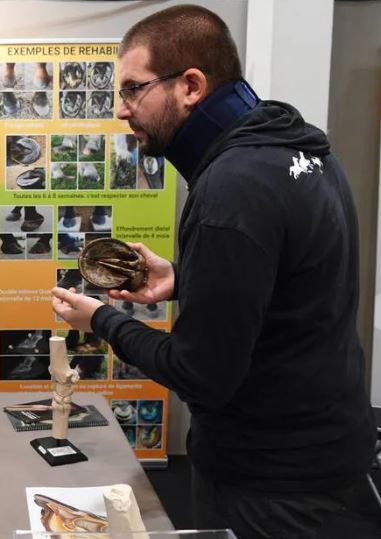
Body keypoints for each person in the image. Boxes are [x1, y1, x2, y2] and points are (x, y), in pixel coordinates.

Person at [51, 5, 376, 538]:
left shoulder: (232, 187)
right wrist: (186, 277)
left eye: (133, 89)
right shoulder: (302, 152)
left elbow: (201, 375)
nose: (121, 110)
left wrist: (102, 322)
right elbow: (293, 287)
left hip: (270, 485)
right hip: (329, 462)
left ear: (191, 86)